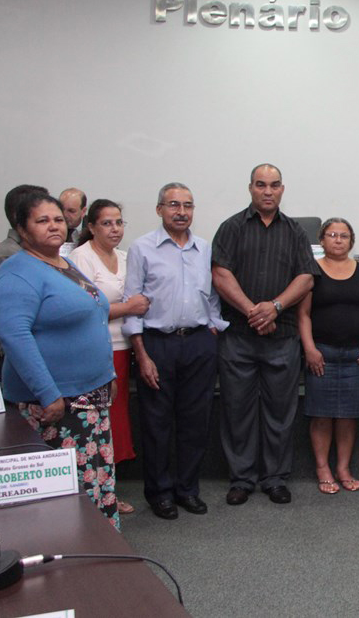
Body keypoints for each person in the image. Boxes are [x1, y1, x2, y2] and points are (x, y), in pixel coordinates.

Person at [0, 192, 118, 528]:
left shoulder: (63, 263)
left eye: (58, 219)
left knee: (94, 484)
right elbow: (15, 337)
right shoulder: (16, 271)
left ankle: (100, 551)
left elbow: (91, 317)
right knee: (64, 498)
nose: (54, 226)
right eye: (42, 221)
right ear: (22, 228)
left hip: (88, 399)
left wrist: (108, 374)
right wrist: (48, 393)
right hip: (55, 404)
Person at [212, 164, 319, 506]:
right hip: (239, 337)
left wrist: (273, 307)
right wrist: (253, 312)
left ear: (282, 189)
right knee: (237, 411)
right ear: (250, 189)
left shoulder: (296, 232)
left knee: (279, 412)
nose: (268, 191)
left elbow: (306, 278)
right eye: (261, 185)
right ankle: (242, 479)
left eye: (274, 185)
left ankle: (274, 478)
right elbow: (220, 274)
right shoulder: (231, 228)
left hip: (282, 337)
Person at [123, 184, 227, 519]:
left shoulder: (204, 248)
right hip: (158, 344)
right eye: (173, 205)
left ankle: (187, 490)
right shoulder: (141, 248)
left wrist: (213, 326)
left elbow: (211, 295)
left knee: (196, 422)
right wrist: (141, 352)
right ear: (159, 210)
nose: (181, 211)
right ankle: (160, 493)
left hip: (198, 343)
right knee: (157, 423)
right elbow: (132, 300)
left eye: (187, 205)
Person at [69, 199, 149, 516]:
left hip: (126, 345)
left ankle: (107, 488)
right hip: (98, 349)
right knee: (102, 421)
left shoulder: (125, 257)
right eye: (106, 223)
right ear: (91, 226)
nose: (114, 229)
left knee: (118, 418)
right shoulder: (80, 258)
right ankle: (99, 494)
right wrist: (128, 309)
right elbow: (87, 310)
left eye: (119, 222)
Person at [297, 218, 359, 495]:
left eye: (344, 235)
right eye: (332, 235)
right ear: (322, 240)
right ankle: (322, 468)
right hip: (322, 353)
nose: (338, 240)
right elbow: (302, 314)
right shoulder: (311, 271)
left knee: (347, 416)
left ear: (351, 241)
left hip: (356, 355)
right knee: (321, 414)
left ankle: (343, 468)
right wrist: (309, 348)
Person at [0, 184, 48, 378]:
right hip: (19, 360)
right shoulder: (6, 257)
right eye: (43, 216)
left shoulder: (37, 253)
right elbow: (13, 325)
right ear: (20, 217)